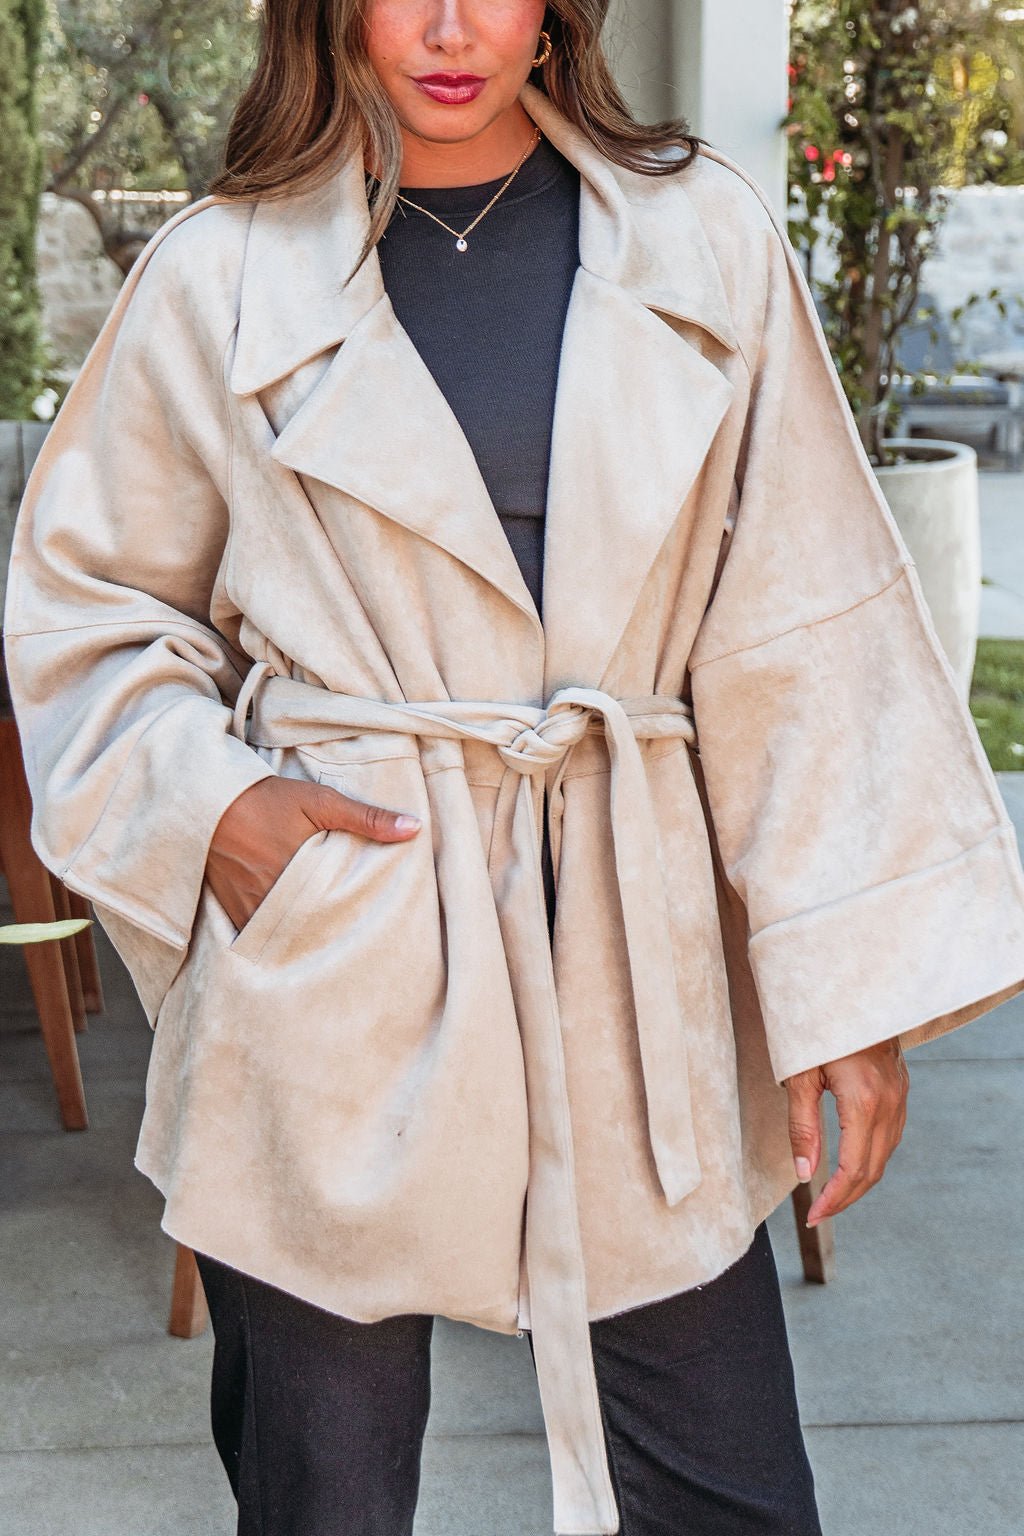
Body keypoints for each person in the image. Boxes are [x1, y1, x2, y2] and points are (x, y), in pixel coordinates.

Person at [7, 3, 1024, 1533]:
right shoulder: (219, 273)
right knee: (324, 1495)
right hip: (348, 929)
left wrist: (843, 996)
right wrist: (221, 809)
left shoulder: (699, 241)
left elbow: (805, 630)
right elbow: (94, 604)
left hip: (636, 937)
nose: (449, 23)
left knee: (728, 1487)